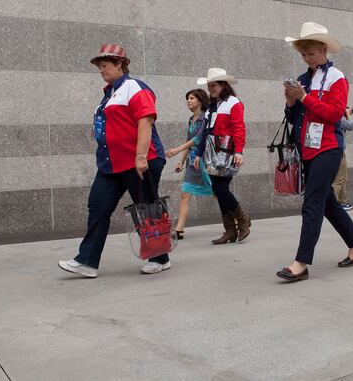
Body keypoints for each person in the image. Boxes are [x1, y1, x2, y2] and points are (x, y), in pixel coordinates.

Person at [59, 44, 170, 277]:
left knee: (145, 209)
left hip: (139, 160)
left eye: (105, 65)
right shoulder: (109, 93)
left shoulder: (134, 87)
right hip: (111, 163)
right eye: (99, 66)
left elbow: (145, 121)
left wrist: (141, 157)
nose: (101, 70)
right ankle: (87, 262)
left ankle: (159, 257)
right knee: (98, 207)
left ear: (120, 64)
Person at [276, 22, 353, 282]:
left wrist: (304, 98)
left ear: (324, 50)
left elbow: (334, 113)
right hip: (307, 149)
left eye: (311, 53)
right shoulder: (303, 79)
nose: (307, 58)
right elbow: (295, 117)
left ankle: (301, 262)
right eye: (304, 54)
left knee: (313, 203)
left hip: (328, 148)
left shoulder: (337, 77)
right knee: (327, 203)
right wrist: (291, 102)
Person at [193, 68, 250, 244]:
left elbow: (239, 128)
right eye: (209, 86)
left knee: (220, 189)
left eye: (214, 85)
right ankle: (230, 230)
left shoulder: (234, 103)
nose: (211, 88)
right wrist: (198, 153)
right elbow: (204, 133)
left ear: (224, 85)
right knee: (218, 189)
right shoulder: (211, 107)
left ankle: (242, 219)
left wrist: (239, 150)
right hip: (212, 153)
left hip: (227, 152)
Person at [165, 88, 211, 239]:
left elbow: (197, 140)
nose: (188, 101)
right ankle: (179, 230)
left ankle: (238, 218)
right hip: (192, 162)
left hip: (204, 160)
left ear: (200, 100)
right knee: (185, 193)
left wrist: (177, 150)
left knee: (218, 192)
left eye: (191, 98)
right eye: (188, 98)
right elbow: (188, 142)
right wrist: (181, 161)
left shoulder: (206, 118)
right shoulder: (191, 119)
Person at [332, 108, 353, 210]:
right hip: (338, 150)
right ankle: (331, 204)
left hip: (334, 150)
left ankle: (342, 202)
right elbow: (350, 125)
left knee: (342, 177)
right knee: (339, 179)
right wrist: (347, 114)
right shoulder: (337, 115)